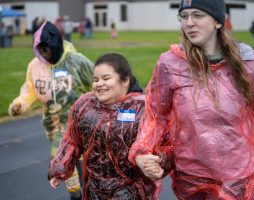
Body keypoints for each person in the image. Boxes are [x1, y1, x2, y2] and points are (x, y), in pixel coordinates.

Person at [129, 0, 254, 199]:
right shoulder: (170, 64)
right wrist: (142, 151)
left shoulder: (250, 63)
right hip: (191, 177)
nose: (189, 23)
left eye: (198, 15)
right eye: (184, 17)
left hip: (239, 177)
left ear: (218, 22)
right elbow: (155, 114)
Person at [48, 53, 173, 199]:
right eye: (95, 80)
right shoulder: (85, 107)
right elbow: (72, 141)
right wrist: (59, 169)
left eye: (106, 78)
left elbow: (167, 145)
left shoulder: (143, 110)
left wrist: (157, 163)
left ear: (125, 80)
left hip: (132, 192)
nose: (99, 84)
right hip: (94, 190)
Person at [8, 21, 94, 200]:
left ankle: (88, 193)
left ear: (55, 46)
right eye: (41, 50)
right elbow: (29, 89)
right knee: (65, 166)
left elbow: (98, 83)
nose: (44, 54)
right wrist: (20, 104)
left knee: (85, 167)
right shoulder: (35, 65)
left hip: (82, 126)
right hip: (55, 128)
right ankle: (76, 196)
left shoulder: (76, 61)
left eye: (47, 49)